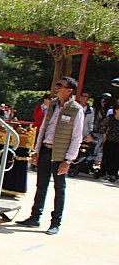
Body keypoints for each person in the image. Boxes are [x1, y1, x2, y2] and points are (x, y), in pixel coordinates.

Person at [16, 76, 84, 235]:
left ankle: (55, 222)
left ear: (69, 90)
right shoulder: (53, 105)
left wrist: (68, 160)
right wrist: (37, 150)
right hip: (46, 149)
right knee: (41, 185)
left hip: (60, 153)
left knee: (59, 188)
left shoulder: (76, 110)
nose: (56, 87)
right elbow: (44, 128)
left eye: (60, 85)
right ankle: (35, 217)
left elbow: (76, 137)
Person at [99, 99, 119, 182]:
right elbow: (103, 125)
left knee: (116, 158)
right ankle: (104, 172)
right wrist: (104, 134)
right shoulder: (110, 118)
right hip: (109, 140)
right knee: (107, 156)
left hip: (118, 142)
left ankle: (113, 174)